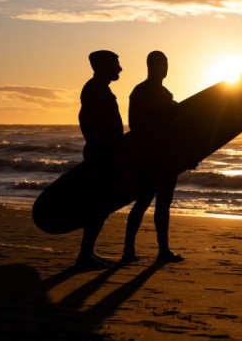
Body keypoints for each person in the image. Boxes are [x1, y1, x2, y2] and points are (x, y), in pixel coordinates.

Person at [122, 50, 184, 263]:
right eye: (159, 65)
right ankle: (128, 250)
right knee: (143, 202)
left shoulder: (167, 93)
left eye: (166, 64)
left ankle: (163, 250)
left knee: (164, 204)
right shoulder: (140, 91)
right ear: (150, 66)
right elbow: (134, 124)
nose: (164, 68)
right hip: (150, 157)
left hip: (168, 157)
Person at [76, 50, 124, 269]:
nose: (120, 69)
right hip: (101, 154)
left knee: (101, 205)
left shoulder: (99, 89)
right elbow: (86, 120)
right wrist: (103, 149)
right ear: (105, 66)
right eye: (116, 64)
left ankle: (87, 254)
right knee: (99, 205)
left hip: (103, 152)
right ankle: (85, 256)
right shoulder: (95, 90)